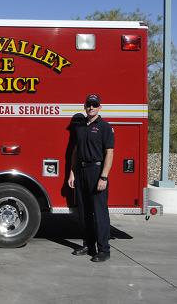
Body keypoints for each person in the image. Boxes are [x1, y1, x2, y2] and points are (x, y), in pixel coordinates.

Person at [67, 94, 114, 262]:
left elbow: (109, 153)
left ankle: (104, 250)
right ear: (84, 106)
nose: (91, 107)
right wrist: (72, 172)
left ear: (100, 107)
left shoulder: (105, 127)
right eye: (89, 104)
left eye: (95, 105)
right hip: (81, 171)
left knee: (99, 212)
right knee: (84, 212)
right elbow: (75, 150)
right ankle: (88, 245)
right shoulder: (79, 127)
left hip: (96, 171)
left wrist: (104, 177)